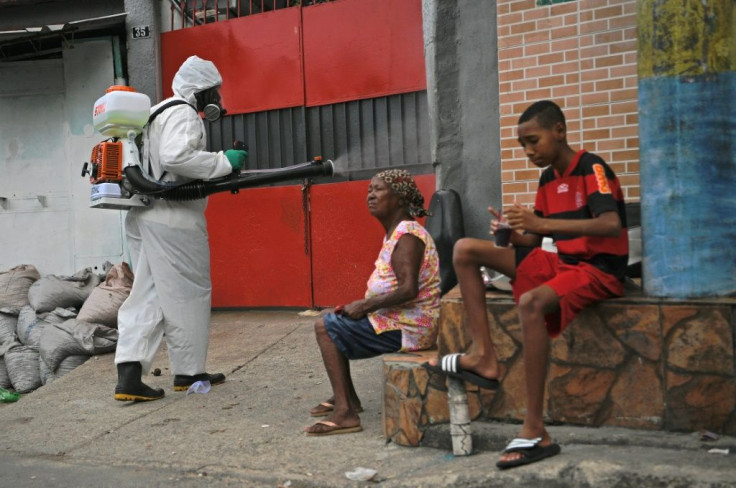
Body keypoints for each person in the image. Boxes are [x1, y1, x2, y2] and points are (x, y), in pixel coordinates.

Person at [425, 100, 628, 468]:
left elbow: (610, 224)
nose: (529, 151)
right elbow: (533, 243)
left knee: (531, 303)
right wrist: (510, 234)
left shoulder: (591, 167)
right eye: (523, 145)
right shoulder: (548, 178)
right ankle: (484, 356)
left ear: (559, 131)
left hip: (598, 270)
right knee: (465, 249)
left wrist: (540, 225)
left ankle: (536, 429)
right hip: (564, 263)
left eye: (533, 141)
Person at [113, 56, 248, 402]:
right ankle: (188, 373)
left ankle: (128, 376)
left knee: (149, 293)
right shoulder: (184, 113)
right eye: (213, 92)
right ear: (199, 91)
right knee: (189, 293)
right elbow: (175, 157)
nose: (216, 99)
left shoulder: (155, 113)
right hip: (172, 218)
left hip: (143, 215)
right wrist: (221, 161)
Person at [304, 169, 441, 436]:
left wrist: (365, 306)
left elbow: (409, 289)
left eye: (378, 189)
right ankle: (348, 398)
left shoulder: (408, 236)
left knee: (325, 326)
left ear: (400, 198)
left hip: (411, 329)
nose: (371, 195)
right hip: (400, 321)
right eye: (369, 190)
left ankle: (345, 412)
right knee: (336, 319)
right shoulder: (397, 232)